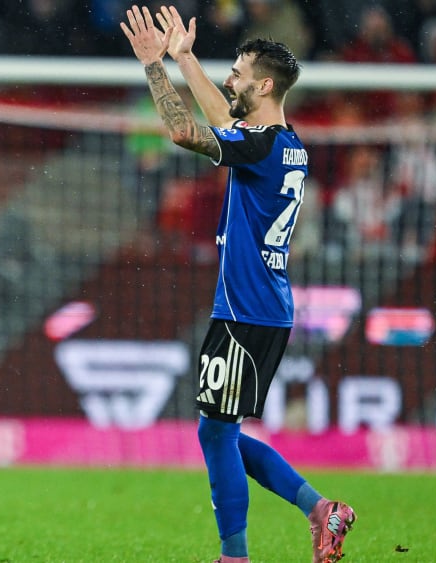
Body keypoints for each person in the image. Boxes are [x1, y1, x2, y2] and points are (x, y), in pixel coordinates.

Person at [121, 6, 355, 563]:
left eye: (238, 72)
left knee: (217, 434)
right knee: (219, 431)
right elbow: (228, 118)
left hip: (246, 308)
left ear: (264, 85)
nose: (230, 79)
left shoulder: (261, 146)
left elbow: (184, 131)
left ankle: (236, 555)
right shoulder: (285, 142)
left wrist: (154, 65)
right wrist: (184, 58)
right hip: (266, 306)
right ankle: (321, 510)